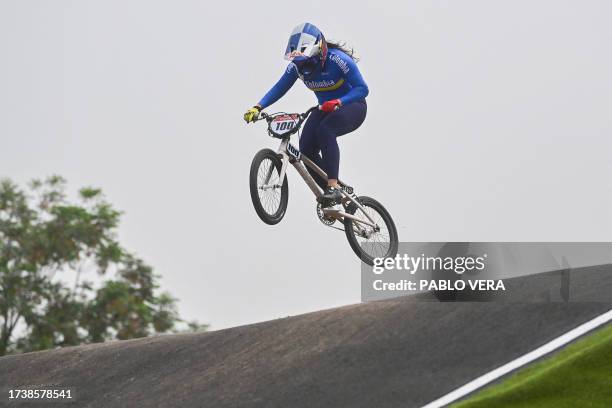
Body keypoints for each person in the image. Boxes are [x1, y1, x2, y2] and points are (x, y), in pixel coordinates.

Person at [243, 22, 369, 205]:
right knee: (306, 149)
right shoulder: (296, 67)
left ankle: (333, 187)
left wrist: (339, 101)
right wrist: (258, 107)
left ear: (320, 53)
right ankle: (331, 192)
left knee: (326, 131)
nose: (304, 69)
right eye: (299, 64)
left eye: (308, 62)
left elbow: (362, 89)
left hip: (353, 105)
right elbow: (280, 87)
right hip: (325, 108)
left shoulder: (338, 60)